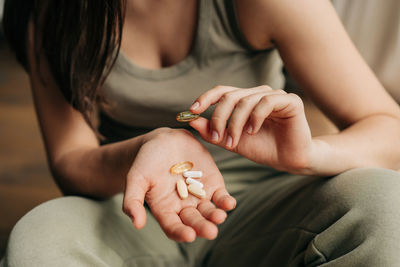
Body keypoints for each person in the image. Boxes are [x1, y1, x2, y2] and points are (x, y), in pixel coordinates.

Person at [2, 0, 400, 266]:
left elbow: (388, 129)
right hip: (131, 210)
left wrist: (308, 154)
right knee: (38, 238)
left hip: (273, 206)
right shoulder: (54, 12)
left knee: (386, 203)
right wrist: (147, 146)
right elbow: (70, 159)